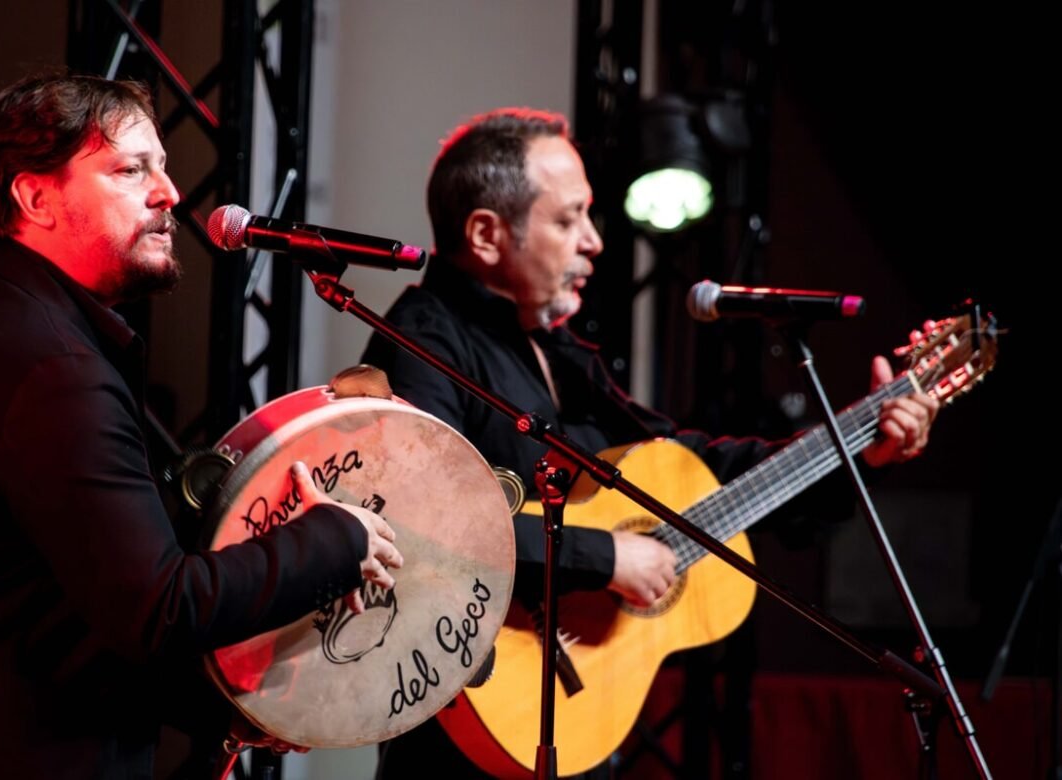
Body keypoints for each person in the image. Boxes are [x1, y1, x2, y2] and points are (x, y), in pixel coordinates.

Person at [360, 107, 939, 778]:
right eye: (568, 220)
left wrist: (859, 449)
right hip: (461, 741)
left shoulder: (553, 349)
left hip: (570, 725)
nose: (594, 242)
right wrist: (607, 557)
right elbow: (415, 521)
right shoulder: (422, 340)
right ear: (487, 235)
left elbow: (696, 469)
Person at [0, 72, 403, 779]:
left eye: (161, 167)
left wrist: (219, 707)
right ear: (35, 198)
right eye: (131, 170)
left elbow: (65, 607)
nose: (170, 194)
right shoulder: (50, 365)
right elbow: (158, 608)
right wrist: (337, 539)